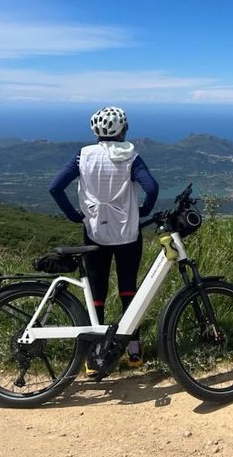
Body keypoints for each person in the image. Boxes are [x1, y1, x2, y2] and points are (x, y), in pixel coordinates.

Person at [49, 106, 159, 369]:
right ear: (123, 130)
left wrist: (75, 216)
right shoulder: (131, 157)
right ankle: (133, 351)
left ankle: (95, 353)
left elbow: (55, 187)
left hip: (94, 231)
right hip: (128, 234)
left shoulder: (82, 156)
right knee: (128, 290)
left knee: (97, 293)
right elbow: (152, 188)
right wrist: (142, 211)